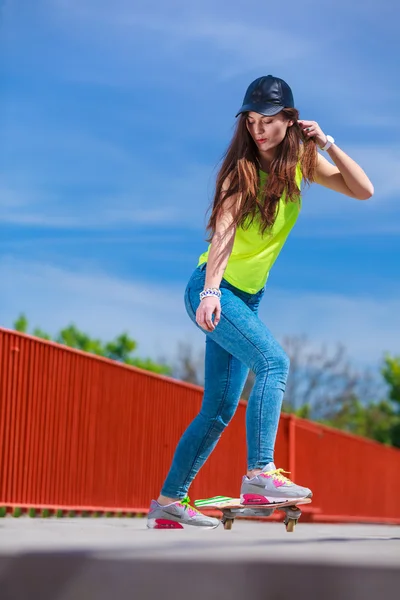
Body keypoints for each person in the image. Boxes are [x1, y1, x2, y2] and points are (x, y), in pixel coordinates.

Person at [147, 75, 374, 529]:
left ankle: (168, 503)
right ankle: (260, 473)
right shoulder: (239, 172)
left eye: (268, 121)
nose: (258, 130)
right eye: (251, 121)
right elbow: (224, 234)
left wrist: (326, 142)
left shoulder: (301, 163)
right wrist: (211, 291)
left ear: (290, 121)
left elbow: (363, 190)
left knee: (218, 410)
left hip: (245, 301)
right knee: (274, 362)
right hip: (214, 290)